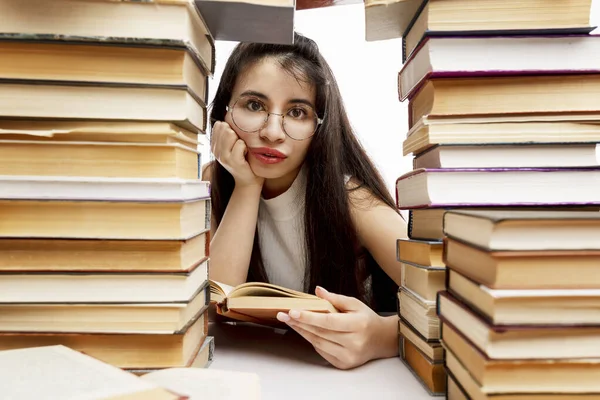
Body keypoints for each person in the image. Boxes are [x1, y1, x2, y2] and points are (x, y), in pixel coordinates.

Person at [203, 32, 408, 370]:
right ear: (225, 112)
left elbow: (454, 300)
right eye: (254, 105)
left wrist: (384, 337)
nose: (272, 131)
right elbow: (219, 305)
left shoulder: (349, 198)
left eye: (297, 112)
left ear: (320, 125)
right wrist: (246, 184)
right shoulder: (215, 180)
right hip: (263, 372)